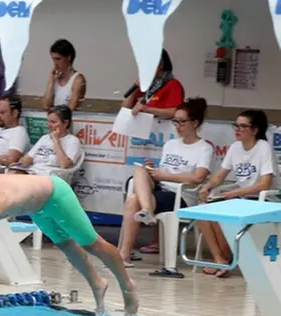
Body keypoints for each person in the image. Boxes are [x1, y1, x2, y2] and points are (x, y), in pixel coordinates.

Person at [0, 174, 138, 316]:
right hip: (35, 207)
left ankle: (128, 287)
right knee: (67, 246)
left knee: (92, 244)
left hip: (55, 195)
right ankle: (97, 283)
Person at [119, 98, 212, 276]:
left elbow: (197, 177)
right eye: (175, 121)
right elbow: (163, 173)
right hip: (162, 190)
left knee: (133, 201)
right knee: (139, 170)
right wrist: (154, 171)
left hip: (182, 196)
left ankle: (125, 253)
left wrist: (164, 175)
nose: (177, 126)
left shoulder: (204, 148)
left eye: (182, 121)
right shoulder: (170, 144)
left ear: (195, 122)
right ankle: (145, 212)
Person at [196, 109, 277, 278]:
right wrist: (208, 186)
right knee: (203, 212)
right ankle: (219, 259)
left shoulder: (263, 148)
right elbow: (220, 175)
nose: (237, 129)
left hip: (261, 199)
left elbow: (264, 184)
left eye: (243, 126)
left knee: (221, 214)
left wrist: (234, 193)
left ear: (255, 130)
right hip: (240, 196)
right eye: (236, 125)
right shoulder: (234, 147)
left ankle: (226, 259)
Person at [9, 105, 82, 178]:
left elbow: (64, 164)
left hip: (51, 177)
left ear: (65, 123)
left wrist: (56, 141)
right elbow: (28, 158)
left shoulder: (72, 141)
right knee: (9, 175)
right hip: (32, 173)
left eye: (53, 122)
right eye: (48, 121)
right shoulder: (45, 138)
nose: (49, 125)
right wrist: (19, 165)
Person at [122, 49, 184, 120]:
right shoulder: (145, 85)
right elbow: (125, 108)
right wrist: (135, 88)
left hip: (161, 128)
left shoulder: (173, 84)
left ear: (161, 65)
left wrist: (147, 109)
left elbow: (174, 112)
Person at [39, 39, 86, 111]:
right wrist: (51, 81)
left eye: (58, 59)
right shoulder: (55, 78)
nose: (55, 63)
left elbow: (71, 109)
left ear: (69, 57)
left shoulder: (78, 80)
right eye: (53, 59)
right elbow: (45, 105)